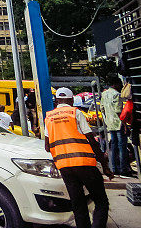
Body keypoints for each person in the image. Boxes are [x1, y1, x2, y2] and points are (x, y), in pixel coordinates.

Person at [45, 87, 113, 228]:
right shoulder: (75, 112)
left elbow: (47, 146)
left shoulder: (49, 117)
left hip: (64, 167)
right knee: (101, 201)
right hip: (84, 164)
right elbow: (91, 141)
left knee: (78, 204)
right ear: (71, 100)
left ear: (57, 100)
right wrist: (105, 165)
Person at [101, 76, 128, 177]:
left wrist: (107, 120)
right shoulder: (117, 94)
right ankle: (123, 170)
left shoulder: (104, 94)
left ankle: (114, 169)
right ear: (115, 84)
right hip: (119, 123)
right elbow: (118, 111)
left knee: (113, 146)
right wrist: (125, 124)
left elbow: (102, 108)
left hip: (110, 124)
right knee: (122, 147)